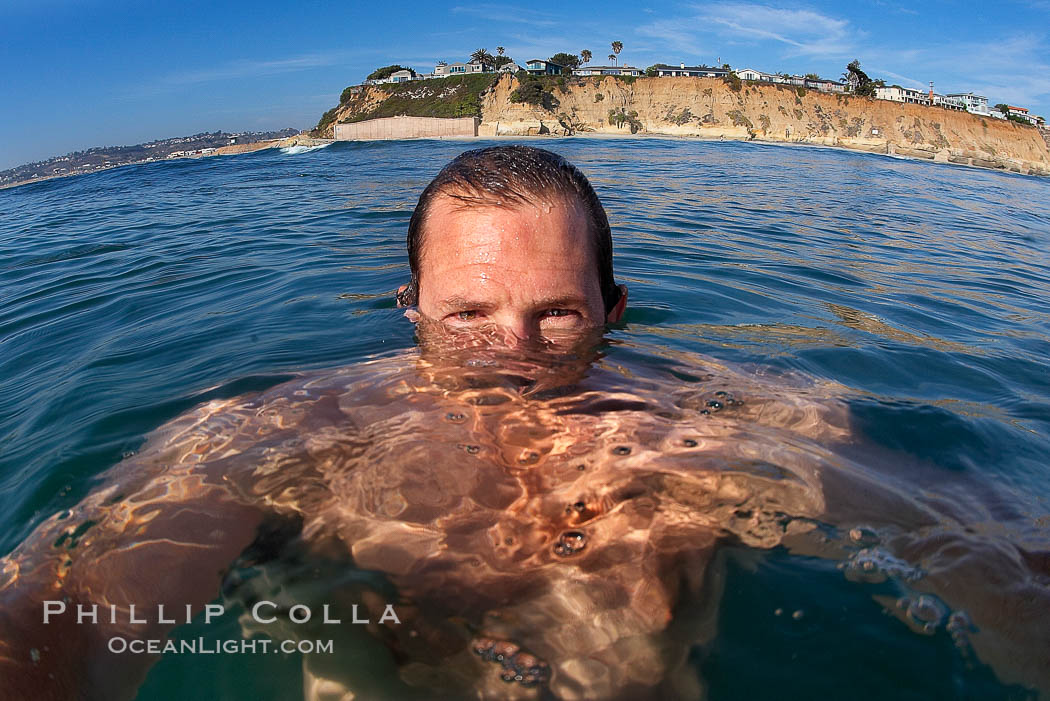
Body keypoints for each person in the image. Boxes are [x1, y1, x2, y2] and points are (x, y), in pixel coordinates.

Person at [4, 146, 1039, 700]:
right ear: (408, 306)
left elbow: (971, 536)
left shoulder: (730, 416)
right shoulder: (286, 434)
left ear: (615, 309)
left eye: (556, 313)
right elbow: (71, 611)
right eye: (469, 314)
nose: (515, 350)